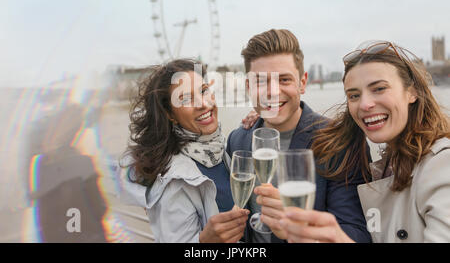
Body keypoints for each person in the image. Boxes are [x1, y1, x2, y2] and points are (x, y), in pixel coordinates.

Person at [277, 40, 450, 243]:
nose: (365, 104)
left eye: (379, 89)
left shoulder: (441, 165)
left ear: (411, 92)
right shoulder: (387, 165)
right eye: (354, 95)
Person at [226, 29, 372, 243]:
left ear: (302, 83)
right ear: (248, 86)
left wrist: (299, 231)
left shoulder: (340, 142)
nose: (272, 92)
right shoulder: (237, 140)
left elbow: (357, 233)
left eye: (284, 80)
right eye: (260, 81)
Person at [118, 59, 251, 243]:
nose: (203, 104)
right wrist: (205, 242)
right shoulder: (175, 183)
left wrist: (258, 118)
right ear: (170, 114)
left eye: (204, 91)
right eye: (186, 99)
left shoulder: (221, 150)